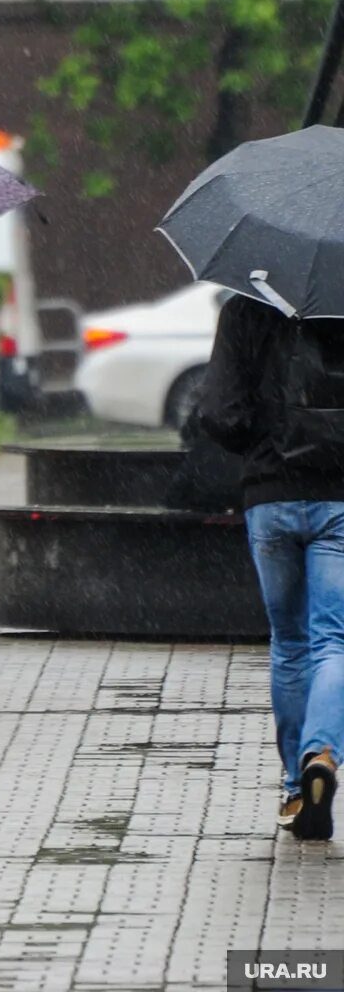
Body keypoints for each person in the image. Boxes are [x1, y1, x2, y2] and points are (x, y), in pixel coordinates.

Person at [199, 292, 344, 840]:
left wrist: (258, 439)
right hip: (341, 495)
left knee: (290, 643)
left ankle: (292, 789)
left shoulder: (247, 305)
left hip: (271, 494)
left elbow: (219, 413)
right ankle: (322, 756)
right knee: (335, 638)